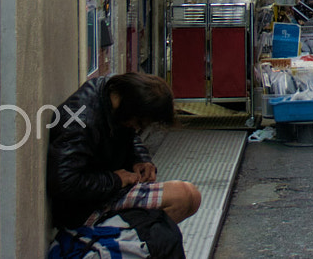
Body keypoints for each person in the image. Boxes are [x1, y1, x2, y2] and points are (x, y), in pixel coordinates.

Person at [47, 72, 201, 257]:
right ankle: (132, 244)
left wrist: (141, 159)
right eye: (138, 122)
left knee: (191, 197)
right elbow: (64, 182)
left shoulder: (114, 98)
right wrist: (116, 180)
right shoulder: (80, 120)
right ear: (131, 109)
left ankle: (142, 243)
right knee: (181, 197)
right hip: (86, 208)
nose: (137, 128)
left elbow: (129, 134)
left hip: (107, 190)